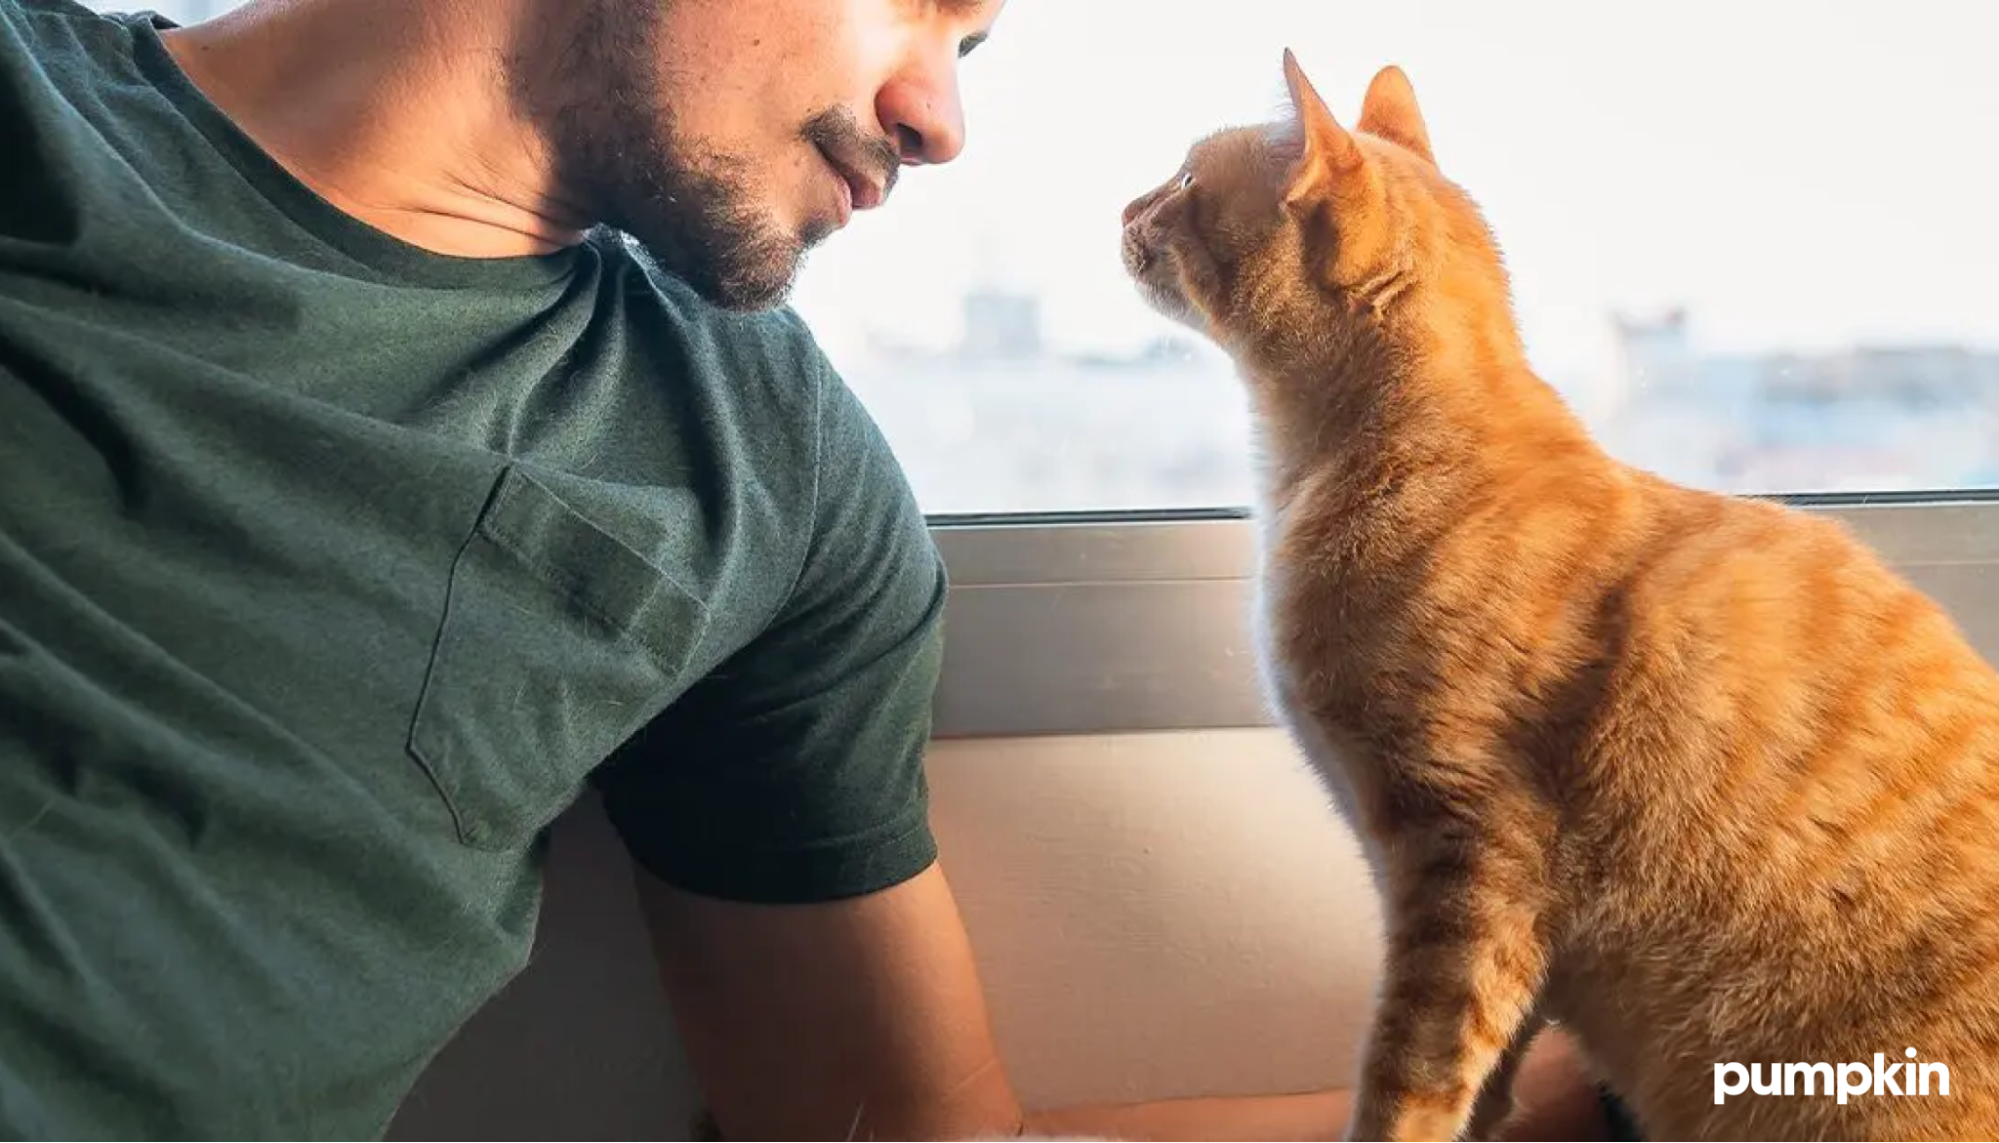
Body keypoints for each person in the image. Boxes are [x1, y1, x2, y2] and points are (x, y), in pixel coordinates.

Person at [0, 0, 1638, 1138]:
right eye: (919, 10)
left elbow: (902, 1133)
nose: (941, 118)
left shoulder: (764, 478)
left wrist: (1577, 1102)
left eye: (972, 50)